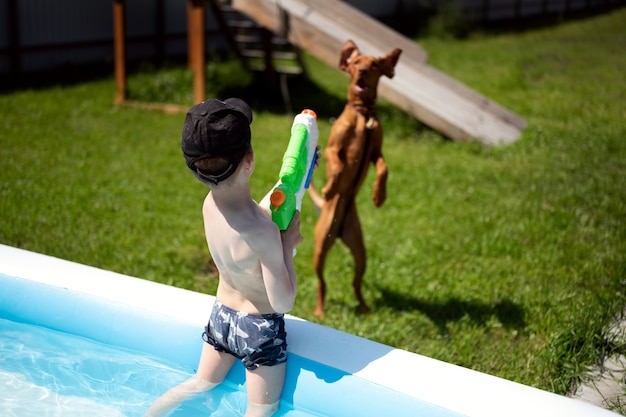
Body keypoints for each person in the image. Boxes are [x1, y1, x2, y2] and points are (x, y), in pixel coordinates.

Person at [144, 98, 303, 417]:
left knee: (200, 383)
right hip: (258, 329)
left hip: (221, 318)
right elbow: (282, 301)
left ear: (196, 169)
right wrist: (287, 244)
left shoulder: (209, 205)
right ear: (250, 159)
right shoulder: (265, 233)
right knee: (261, 410)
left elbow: (246, 223)